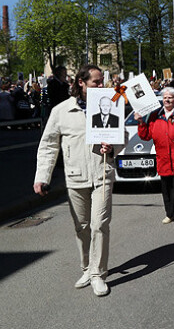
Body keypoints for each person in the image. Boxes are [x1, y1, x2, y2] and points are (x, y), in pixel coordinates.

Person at [34, 65, 121, 297]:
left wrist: (113, 147)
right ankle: (86, 267)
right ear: (81, 83)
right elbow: (49, 145)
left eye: (102, 81)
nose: (101, 86)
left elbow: (122, 136)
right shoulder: (62, 111)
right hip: (75, 176)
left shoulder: (112, 103)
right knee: (81, 227)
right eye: (96, 82)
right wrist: (42, 177)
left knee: (99, 225)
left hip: (102, 173)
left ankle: (98, 274)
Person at [135, 87, 174, 229]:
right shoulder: (155, 116)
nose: (167, 99)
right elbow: (145, 136)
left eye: (170, 97)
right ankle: (169, 214)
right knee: (166, 189)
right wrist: (140, 122)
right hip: (163, 159)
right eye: (165, 97)